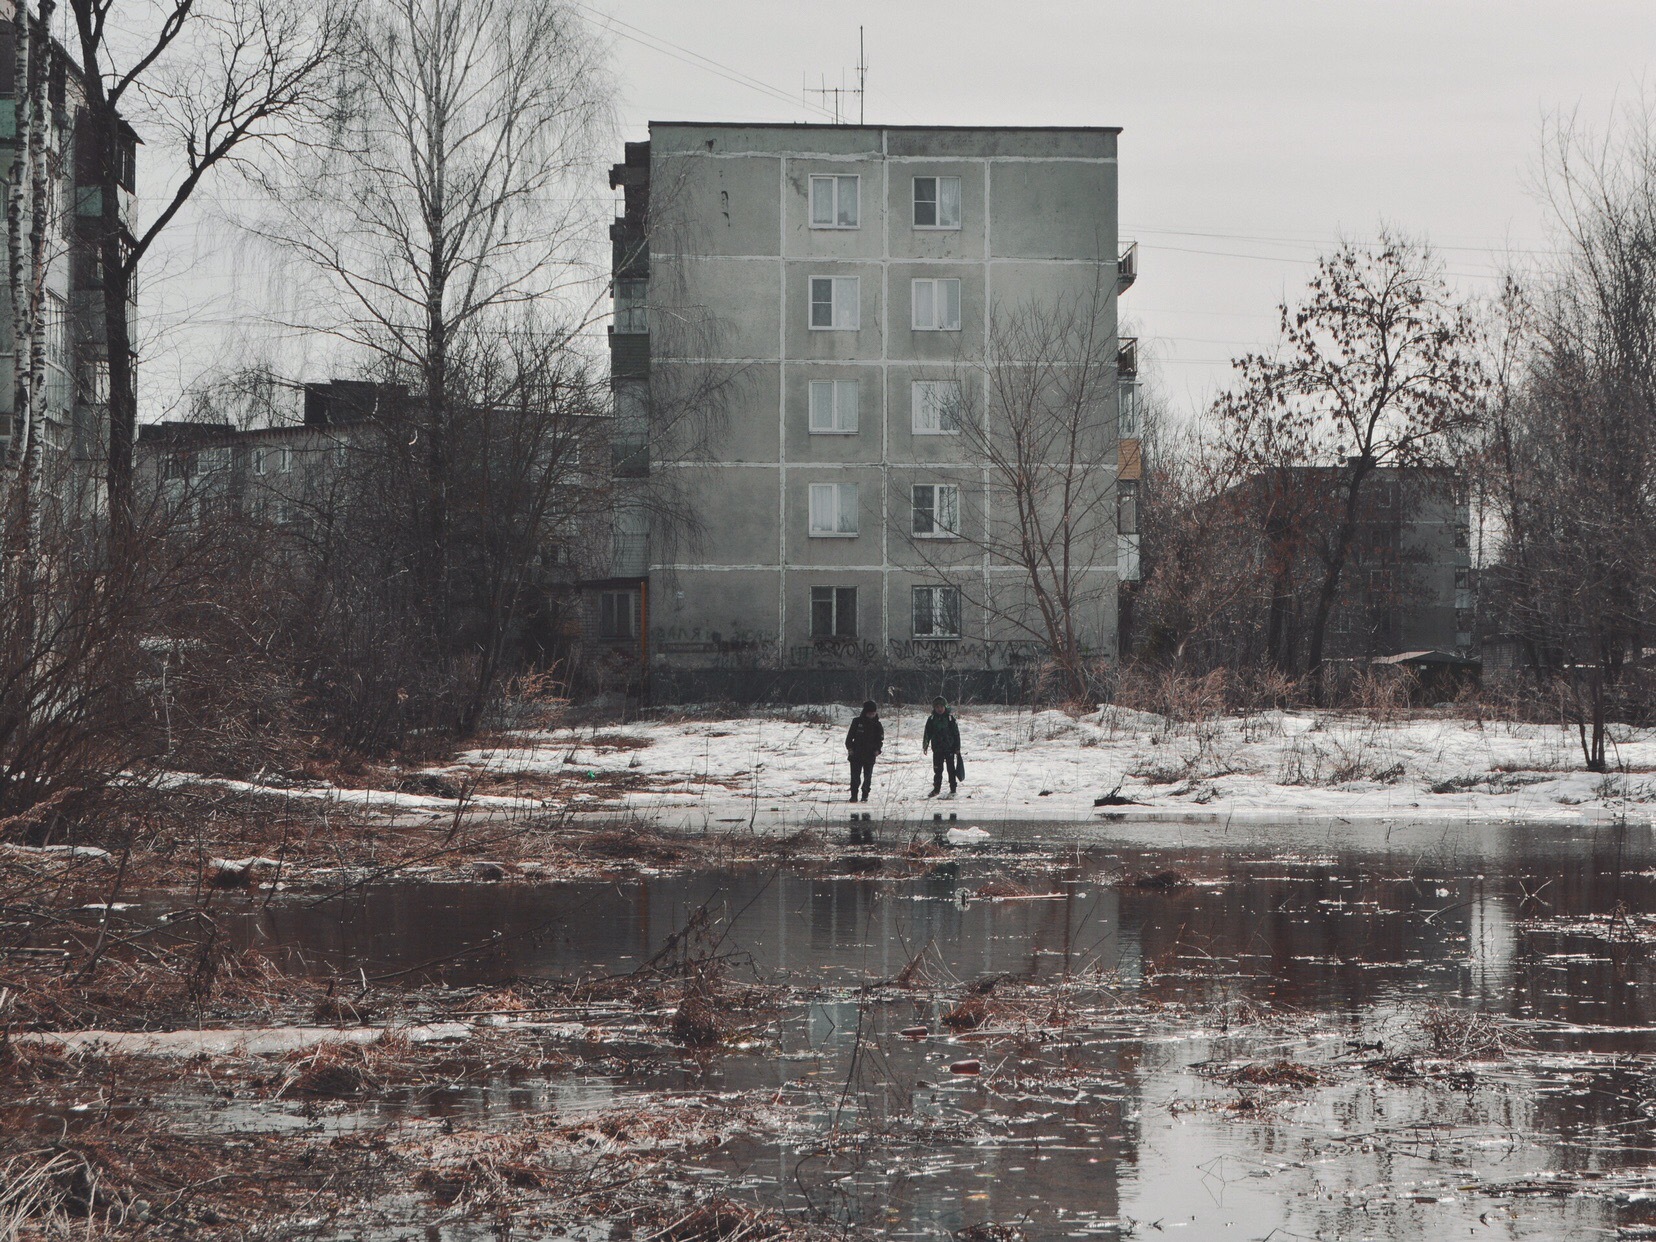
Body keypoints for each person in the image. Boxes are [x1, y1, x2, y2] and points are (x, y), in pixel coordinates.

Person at [922, 696, 963, 798]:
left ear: (945, 707)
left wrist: (957, 748)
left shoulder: (950, 719)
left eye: (941, 706)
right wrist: (925, 745)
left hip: (949, 748)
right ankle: (936, 789)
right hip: (937, 749)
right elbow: (927, 733)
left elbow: (956, 734)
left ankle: (953, 789)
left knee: (951, 770)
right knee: (938, 770)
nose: (939, 709)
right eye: (937, 707)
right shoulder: (931, 719)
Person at [844, 699, 884, 802]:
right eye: (870, 713)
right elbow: (849, 738)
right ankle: (854, 795)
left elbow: (880, 740)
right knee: (855, 777)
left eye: (873, 713)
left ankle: (865, 794)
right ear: (865, 712)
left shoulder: (877, 725)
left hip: (870, 755)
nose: (872, 715)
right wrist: (850, 748)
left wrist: (877, 750)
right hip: (856, 754)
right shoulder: (857, 722)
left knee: (868, 777)